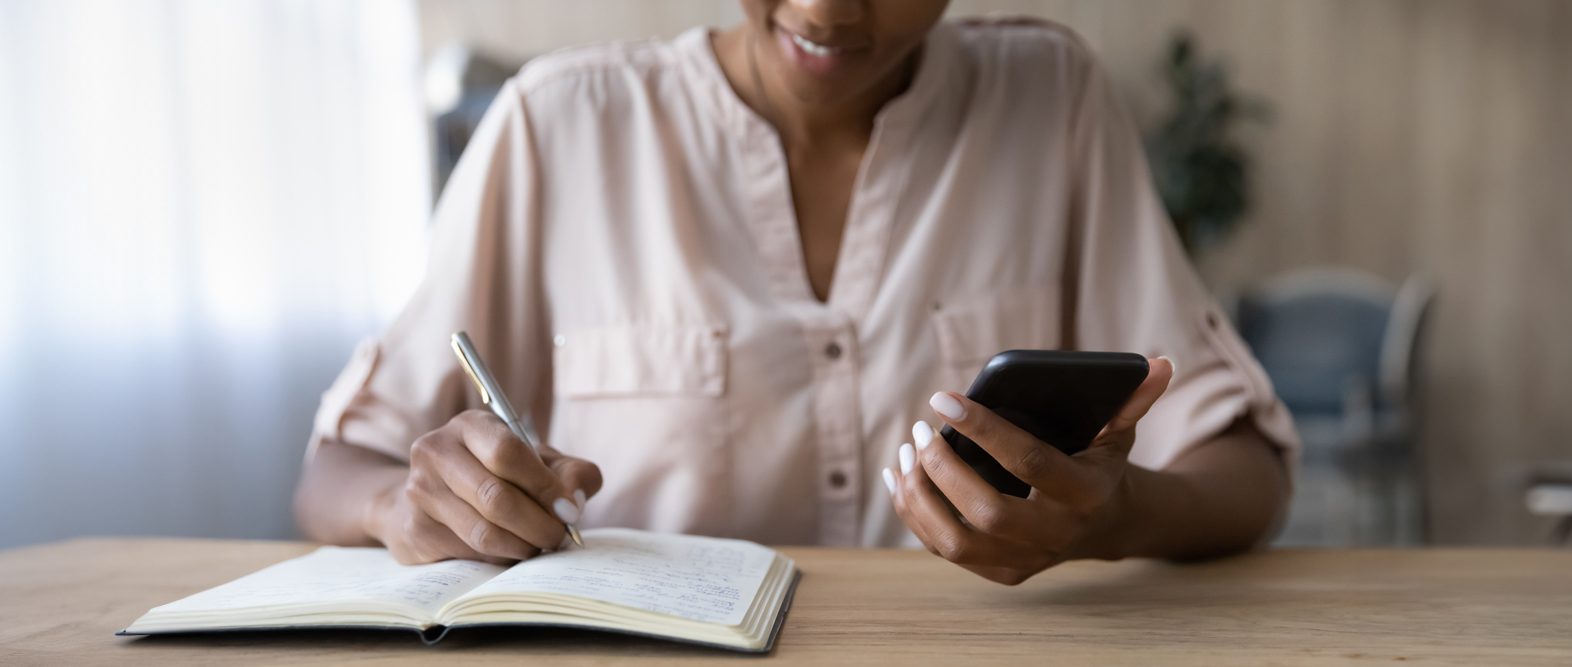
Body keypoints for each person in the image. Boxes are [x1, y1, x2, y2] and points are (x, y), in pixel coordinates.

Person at [295, 0, 1297, 585]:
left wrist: (1120, 517)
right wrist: (405, 500)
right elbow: (336, 469)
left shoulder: (1052, 101)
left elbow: (1243, 461)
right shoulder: (558, 127)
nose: (825, 10)